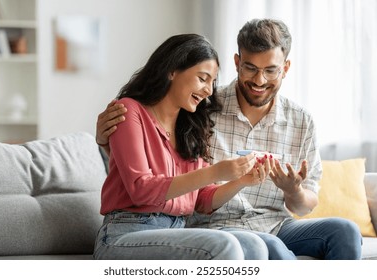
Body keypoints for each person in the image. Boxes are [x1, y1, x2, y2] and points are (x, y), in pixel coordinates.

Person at [96, 19, 363, 260]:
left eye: (271, 70)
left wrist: (277, 187)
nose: (260, 80)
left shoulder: (192, 117)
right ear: (237, 63)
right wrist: (105, 141)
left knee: (346, 231)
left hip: (260, 223)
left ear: (285, 68)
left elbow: (200, 198)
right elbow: (141, 181)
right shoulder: (199, 108)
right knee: (267, 248)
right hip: (195, 226)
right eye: (250, 68)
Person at [93, 33, 275, 260]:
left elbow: (202, 200)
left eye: (213, 82)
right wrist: (215, 172)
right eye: (203, 78)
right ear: (172, 70)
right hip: (126, 232)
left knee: (253, 245)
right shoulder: (129, 111)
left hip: (177, 231)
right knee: (224, 245)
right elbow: (141, 189)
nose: (209, 90)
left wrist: (241, 181)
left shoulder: (190, 128)